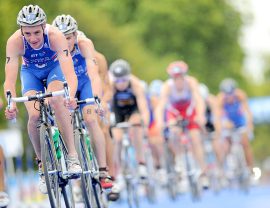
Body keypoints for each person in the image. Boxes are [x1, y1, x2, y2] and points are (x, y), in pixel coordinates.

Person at [4, 5, 81, 194]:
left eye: (37, 32)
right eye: (28, 33)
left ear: (44, 26)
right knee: (34, 116)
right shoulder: (14, 42)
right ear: (21, 30)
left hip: (55, 69)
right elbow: (9, 79)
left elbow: (70, 74)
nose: (33, 38)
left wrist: (70, 95)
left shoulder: (55, 36)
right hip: (30, 73)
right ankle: (42, 167)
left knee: (57, 101)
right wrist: (11, 103)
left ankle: (72, 157)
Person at [52, 14, 112, 189]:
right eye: (62, 38)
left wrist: (97, 99)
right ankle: (69, 162)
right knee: (63, 121)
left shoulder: (84, 44)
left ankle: (103, 170)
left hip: (85, 84)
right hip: (66, 85)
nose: (66, 42)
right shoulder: (52, 47)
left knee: (91, 120)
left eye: (69, 37)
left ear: (75, 35)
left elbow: (94, 74)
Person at [155, 60, 208, 186]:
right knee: (174, 131)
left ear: (184, 76)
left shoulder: (191, 82)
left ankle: (203, 172)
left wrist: (200, 115)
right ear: (172, 78)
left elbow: (199, 100)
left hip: (189, 110)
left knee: (195, 138)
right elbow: (161, 106)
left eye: (180, 77)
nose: (178, 81)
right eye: (175, 78)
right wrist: (159, 122)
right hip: (174, 112)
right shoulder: (167, 86)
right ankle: (179, 160)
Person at [109, 59, 150, 191]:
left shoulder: (136, 84)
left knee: (137, 124)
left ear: (128, 78)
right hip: (118, 112)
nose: (120, 84)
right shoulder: (110, 85)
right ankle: (118, 172)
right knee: (117, 139)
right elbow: (107, 104)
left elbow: (143, 106)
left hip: (133, 110)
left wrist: (145, 123)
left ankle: (141, 161)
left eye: (123, 81)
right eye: (118, 81)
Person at [217, 78, 254, 171]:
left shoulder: (240, 95)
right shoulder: (220, 99)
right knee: (226, 145)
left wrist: (249, 125)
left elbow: (248, 112)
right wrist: (222, 126)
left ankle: (250, 169)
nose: (229, 97)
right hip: (228, 122)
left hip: (240, 122)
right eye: (227, 94)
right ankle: (224, 169)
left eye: (231, 94)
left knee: (245, 144)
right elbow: (218, 117)